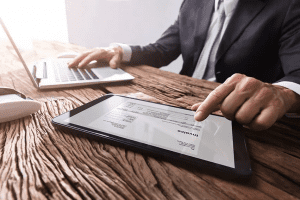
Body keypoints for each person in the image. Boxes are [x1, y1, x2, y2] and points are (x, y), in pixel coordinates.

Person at [68, 0, 300, 131]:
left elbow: (296, 73)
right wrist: (118, 51)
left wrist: (284, 93)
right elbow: (163, 49)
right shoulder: (193, 3)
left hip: (234, 120)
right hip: (177, 100)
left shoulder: (288, 7)